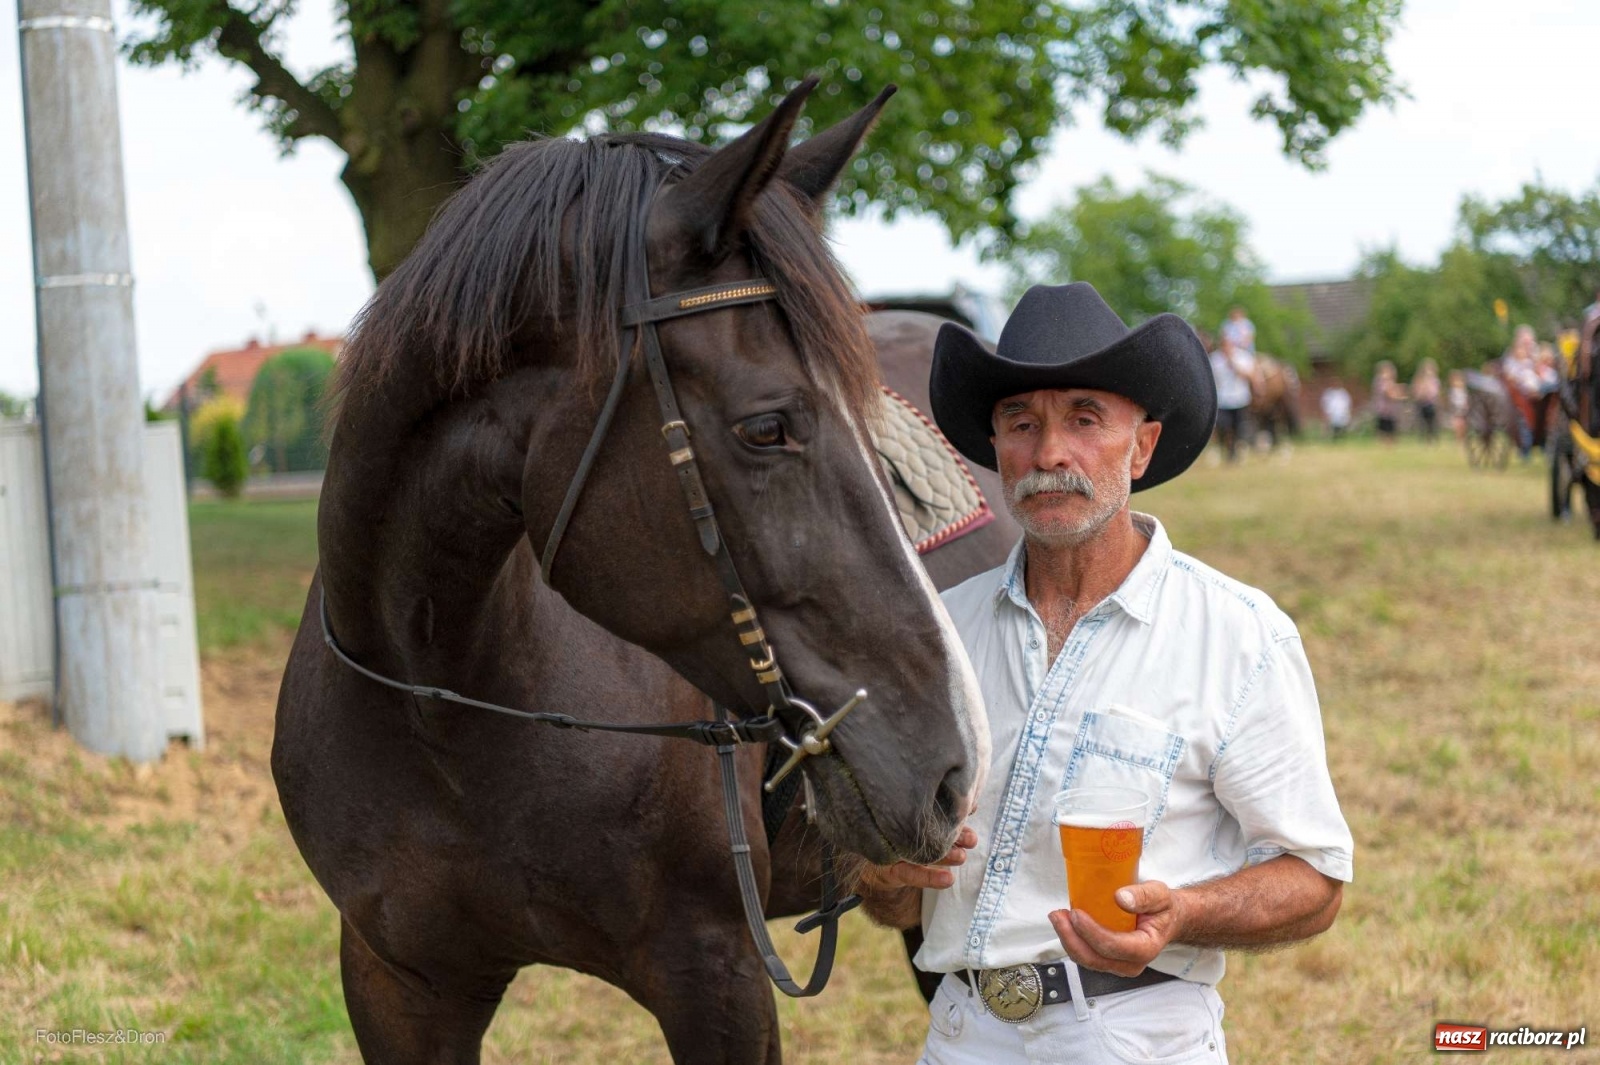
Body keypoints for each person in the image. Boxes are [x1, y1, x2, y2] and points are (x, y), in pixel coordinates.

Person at [856, 283, 1354, 1065]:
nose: (1051, 453)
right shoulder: (938, 633)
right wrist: (882, 875)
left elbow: (1315, 881)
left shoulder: (1238, 634)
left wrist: (1183, 912)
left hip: (1138, 1037)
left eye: (1085, 419)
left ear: (1143, 446)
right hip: (960, 1034)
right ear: (995, 449)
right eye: (1022, 423)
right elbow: (892, 894)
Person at [1209, 336, 1254, 462]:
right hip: (1223, 400)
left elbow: (1249, 375)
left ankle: (1235, 452)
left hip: (1240, 399)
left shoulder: (1243, 356)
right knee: (1224, 426)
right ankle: (1228, 450)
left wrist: (1232, 363)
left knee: (1238, 428)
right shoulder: (1214, 359)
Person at [1371, 361, 1405, 445]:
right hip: (1385, 411)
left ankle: (1387, 446)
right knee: (1386, 431)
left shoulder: (1387, 382)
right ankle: (1386, 446)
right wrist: (1400, 396)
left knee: (1389, 430)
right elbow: (1388, 393)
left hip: (1390, 411)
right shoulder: (1382, 381)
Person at [1410, 359, 1441, 443]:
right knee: (1422, 423)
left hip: (1432, 404)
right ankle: (1423, 439)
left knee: (1432, 423)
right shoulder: (1419, 380)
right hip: (1422, 404)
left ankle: (1432, 439)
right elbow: (1416, 393)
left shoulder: (1435, 380)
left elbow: (1436, 393)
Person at [1447, 369, 1470, 444]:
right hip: (1455, 410)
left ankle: (1463, 439)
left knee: (1463, 425)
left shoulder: (1463, 391)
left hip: (1463, 410)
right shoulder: (1452, 391)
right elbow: (1451, 401)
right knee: (1457, 425)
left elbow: (1466, 400)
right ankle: (1458, 440)